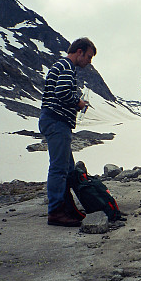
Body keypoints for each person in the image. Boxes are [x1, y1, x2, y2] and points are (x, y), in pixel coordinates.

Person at [39, 37, 96, 227]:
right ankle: (56, 212)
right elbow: (62, 92)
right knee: (59, 168)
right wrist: (78, 102)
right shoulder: (66, 66)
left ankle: (67, 208)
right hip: (56, 121)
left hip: (54, 120)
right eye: (88, 57)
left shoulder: (62, 66)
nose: (89, 62)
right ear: (79, 51)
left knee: (68, 168)